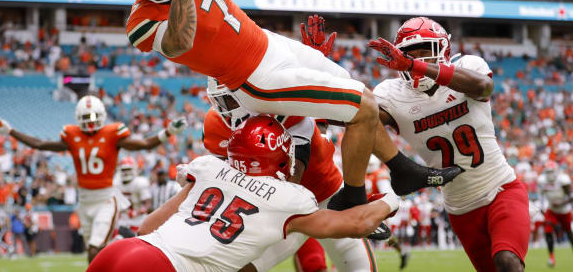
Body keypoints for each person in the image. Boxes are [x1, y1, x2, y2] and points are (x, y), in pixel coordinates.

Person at [106, 0, 460, 212]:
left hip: (269, 43)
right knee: (362, 107)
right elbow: (181, 38)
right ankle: (352, 195)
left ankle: (402, 169)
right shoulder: (142, 20)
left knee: (358, 90)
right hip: (255, 79)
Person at [87, 115, 399, 272]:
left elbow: (145, 228)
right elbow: (355, 224)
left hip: (126, 250)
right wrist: (391, 198)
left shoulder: (209, 167)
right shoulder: (289, 198)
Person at [368, 17, 530, 272]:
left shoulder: (468, 65)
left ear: (443, 51)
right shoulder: (392, 93)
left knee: (508, 262)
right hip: (460, 207)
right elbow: (356, 119)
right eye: (410, 55)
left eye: (425, 53)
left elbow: (484, 87)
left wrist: (415, 65)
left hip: (501, 188)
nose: (418, 60)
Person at [202, 77, 379, 272]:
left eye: (231, 99)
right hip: (272, 207)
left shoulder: (284, 107)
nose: (224, 109)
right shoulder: (215, 124)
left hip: (324, 195)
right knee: (241, 268)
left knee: (361, 268)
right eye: (220, 101)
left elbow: (294, 179)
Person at [0, 95, 187, 263]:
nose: (90, 122)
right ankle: (120, 245)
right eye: (86, 118)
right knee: (93, 254)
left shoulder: (111, 133)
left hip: (106, 199)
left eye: (94, 117)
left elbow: (142, 143)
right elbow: (41, 144)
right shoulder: (72, 135)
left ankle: (120, 243)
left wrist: (167, 132)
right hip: (84, 201)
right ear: (77, 118)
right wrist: (10, 131)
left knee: (94, 248)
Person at [537, 160, 573, 267]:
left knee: (569, 233)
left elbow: (571, 196)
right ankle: (551, 257)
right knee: (547, 230)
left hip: (564, 210)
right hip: (551, 210)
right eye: (547, 172)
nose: (549, 174)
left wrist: (561, 203)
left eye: (551, 171)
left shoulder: (563, 179)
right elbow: (541, 195)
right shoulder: (542, 180)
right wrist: (542, 207)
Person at [115, 157, 152, 236]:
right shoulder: (116, 183)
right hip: (122, 220)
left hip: (138, 221)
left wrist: (137, 212)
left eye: (128, 169)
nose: (126, 172)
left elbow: (148, 204)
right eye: (123, 170)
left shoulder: (139, 182)